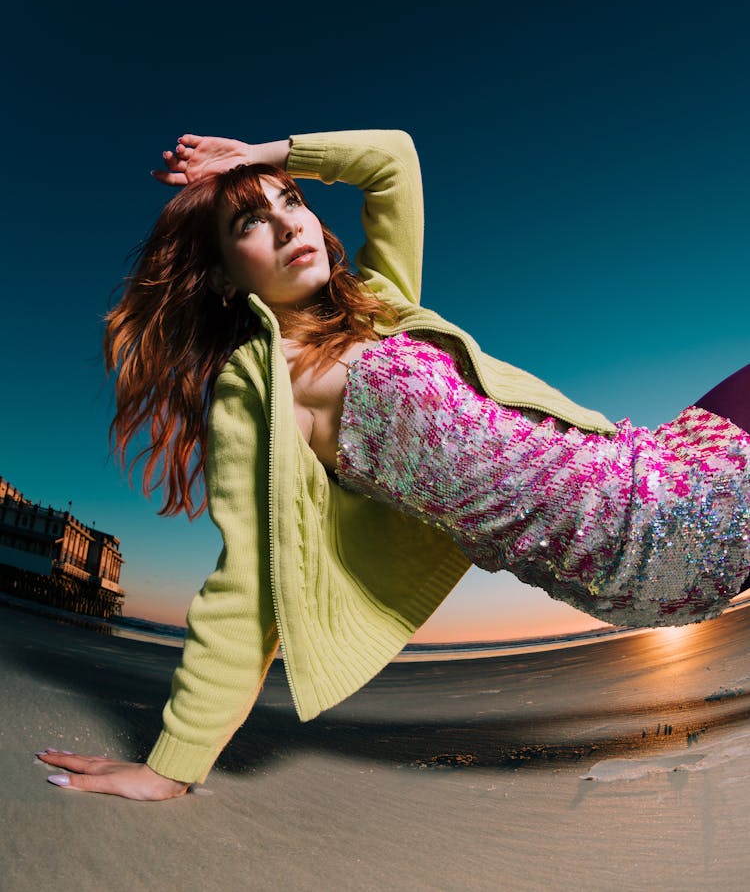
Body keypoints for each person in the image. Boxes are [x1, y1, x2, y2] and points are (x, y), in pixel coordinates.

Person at [38, 129, 750, 800]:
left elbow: (394, 162)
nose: (289, 225)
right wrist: (171, 764)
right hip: (650, 538)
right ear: (223, 278)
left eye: (293, 201)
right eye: (250, 224)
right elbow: (249, 584)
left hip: (654, 469)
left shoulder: (378, 306)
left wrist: (263, 151)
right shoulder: (261, 388)